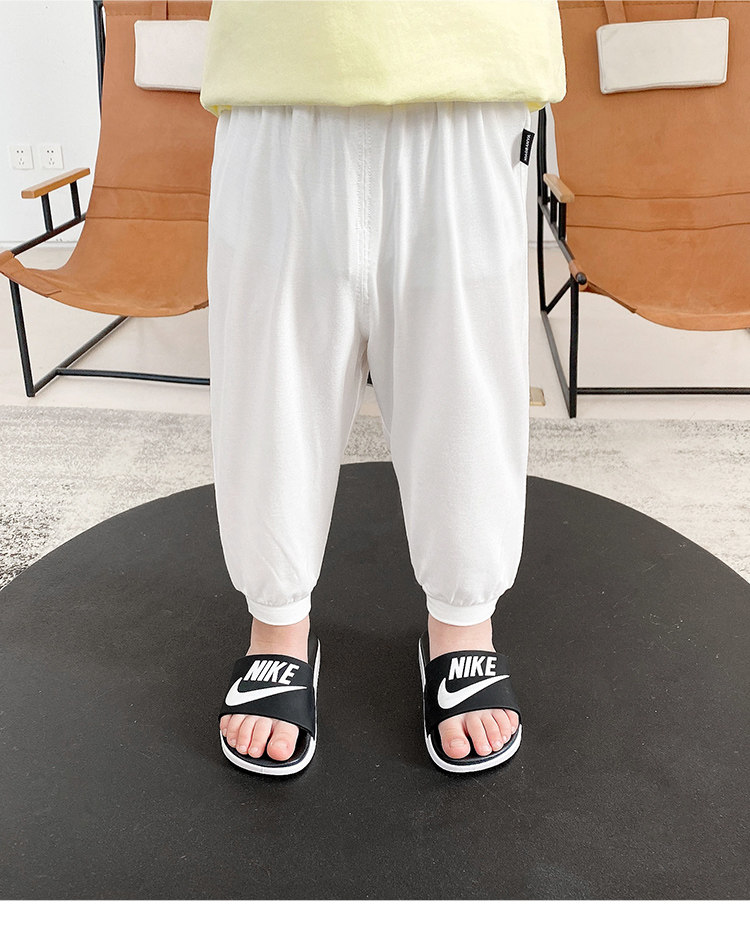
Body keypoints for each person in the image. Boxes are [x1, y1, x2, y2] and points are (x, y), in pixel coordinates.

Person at [200, 0, 566, 775]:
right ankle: (276, 624)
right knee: (270, 387)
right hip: (280, 63)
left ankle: (464, 623)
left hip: (470, 65)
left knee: (464, 387)